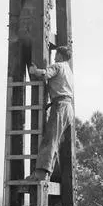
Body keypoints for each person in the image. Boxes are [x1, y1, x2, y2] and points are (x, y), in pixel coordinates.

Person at [23, 46, 74, 183]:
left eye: (56, 54)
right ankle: (50, 173)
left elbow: (45, 73)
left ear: (61, 56)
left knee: (50, 139)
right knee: (56, 141)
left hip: (60, 106)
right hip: (68, 108)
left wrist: (34, 71)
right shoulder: (69, 70)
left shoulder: (58, 66)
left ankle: (41, 174)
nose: (54, 57)